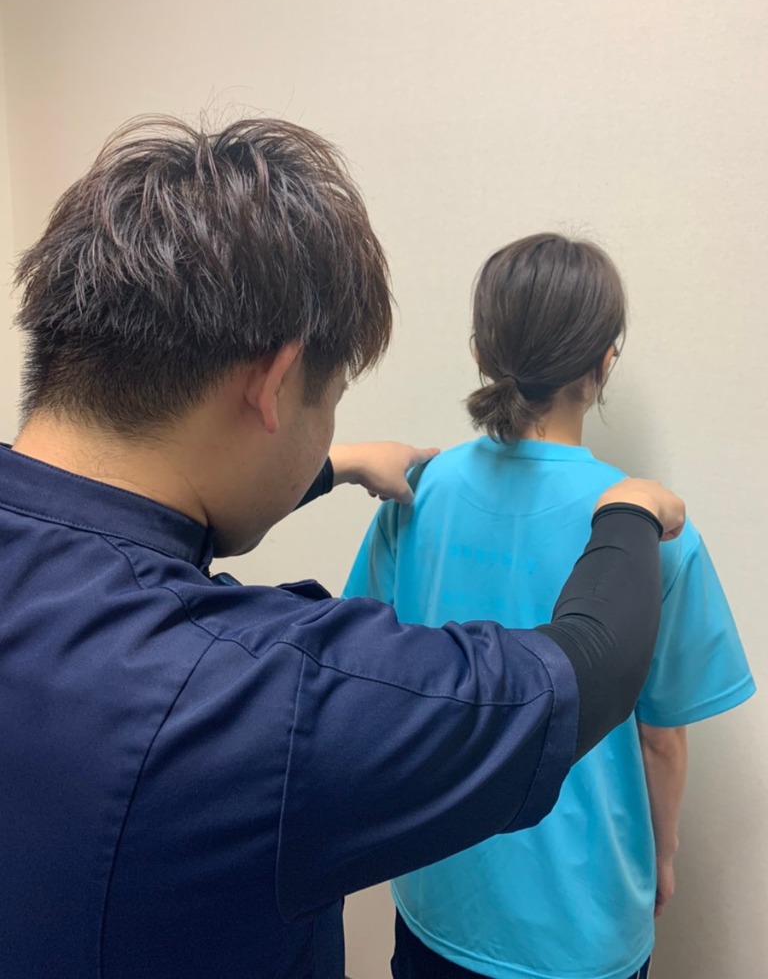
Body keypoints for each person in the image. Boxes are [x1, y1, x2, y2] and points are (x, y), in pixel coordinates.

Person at [1, 121, 684, 979]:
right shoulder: (263, 704)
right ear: (274, 382)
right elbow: (588, 673)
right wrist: (628, 515)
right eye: (331, 399)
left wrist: (336, 465)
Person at [344, 233, 755, 979]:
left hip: (439, 894)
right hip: (580, 926)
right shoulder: (649, 526)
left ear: (481, 353)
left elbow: (369, 663)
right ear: (604, 364)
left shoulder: (415, 492)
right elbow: (661, 741)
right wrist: (664, 855)